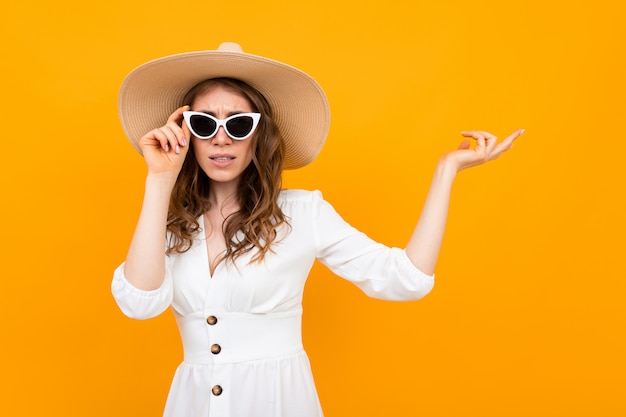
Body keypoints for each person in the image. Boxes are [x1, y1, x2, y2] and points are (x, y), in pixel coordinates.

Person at [112, 42, 523, 417]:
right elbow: (139, 304)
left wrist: (446, 170)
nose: (221, 139)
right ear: (187, 133)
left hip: (279, 402)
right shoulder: (170, 225)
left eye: (238, 125)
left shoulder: (302, 214)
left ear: (259, 135)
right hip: (193, 405)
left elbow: (406, 280)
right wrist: (160, 179)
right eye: (205, 124)